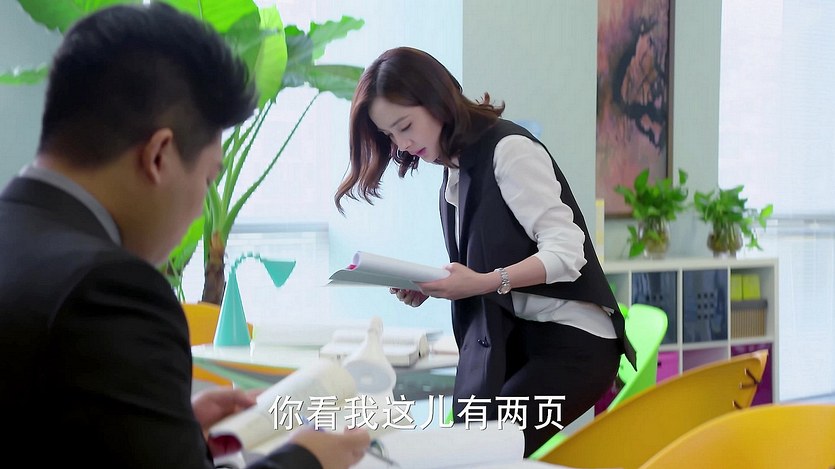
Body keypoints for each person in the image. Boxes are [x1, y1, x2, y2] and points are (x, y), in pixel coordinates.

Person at [0, 4, 368, 468]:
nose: (201, 203)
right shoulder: (108, 290)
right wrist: (309, 458)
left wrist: (161, 432)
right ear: (159, 156)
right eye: (209, 178)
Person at [335, 46, 636, 456]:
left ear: (436, 100)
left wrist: (482, 282)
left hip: (575, 345)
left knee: (473, 452)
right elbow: (489, 260)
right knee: (464, 447)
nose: (402, 144)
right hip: (522, 338)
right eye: (390, 135)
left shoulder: (509, 151)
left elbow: (568, 253)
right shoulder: (455, 171)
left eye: (405, 126)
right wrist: (436, 285)